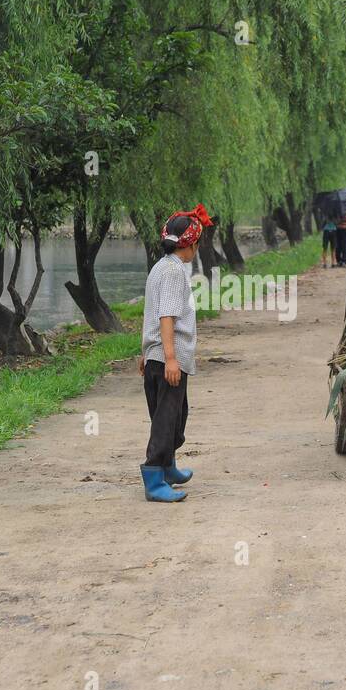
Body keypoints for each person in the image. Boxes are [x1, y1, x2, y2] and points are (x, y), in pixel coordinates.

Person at [137, 204, 211, 503]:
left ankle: (167, 467)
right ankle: (154, 477)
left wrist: (147, 351)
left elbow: (151, 313)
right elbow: (166, 316)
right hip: (168, 359)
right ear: (191, 244)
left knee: (175, 416)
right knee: (166, 421)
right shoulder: (173, 273)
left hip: (160, 355)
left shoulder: (162, 267)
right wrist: (169, 357)